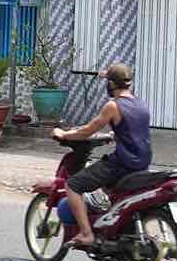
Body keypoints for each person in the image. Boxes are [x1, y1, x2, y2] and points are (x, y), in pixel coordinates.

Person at [52, 63, 152, 248]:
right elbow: (134, 131)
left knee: (73, 185)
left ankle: (86, 234)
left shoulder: (113, 106)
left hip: (123, 163)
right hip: (142, 163)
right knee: (106, 189)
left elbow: (88, 130)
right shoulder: (140, 104)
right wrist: (115, 135)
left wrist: (64, 134)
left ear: (112, 84)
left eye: (108, 81)